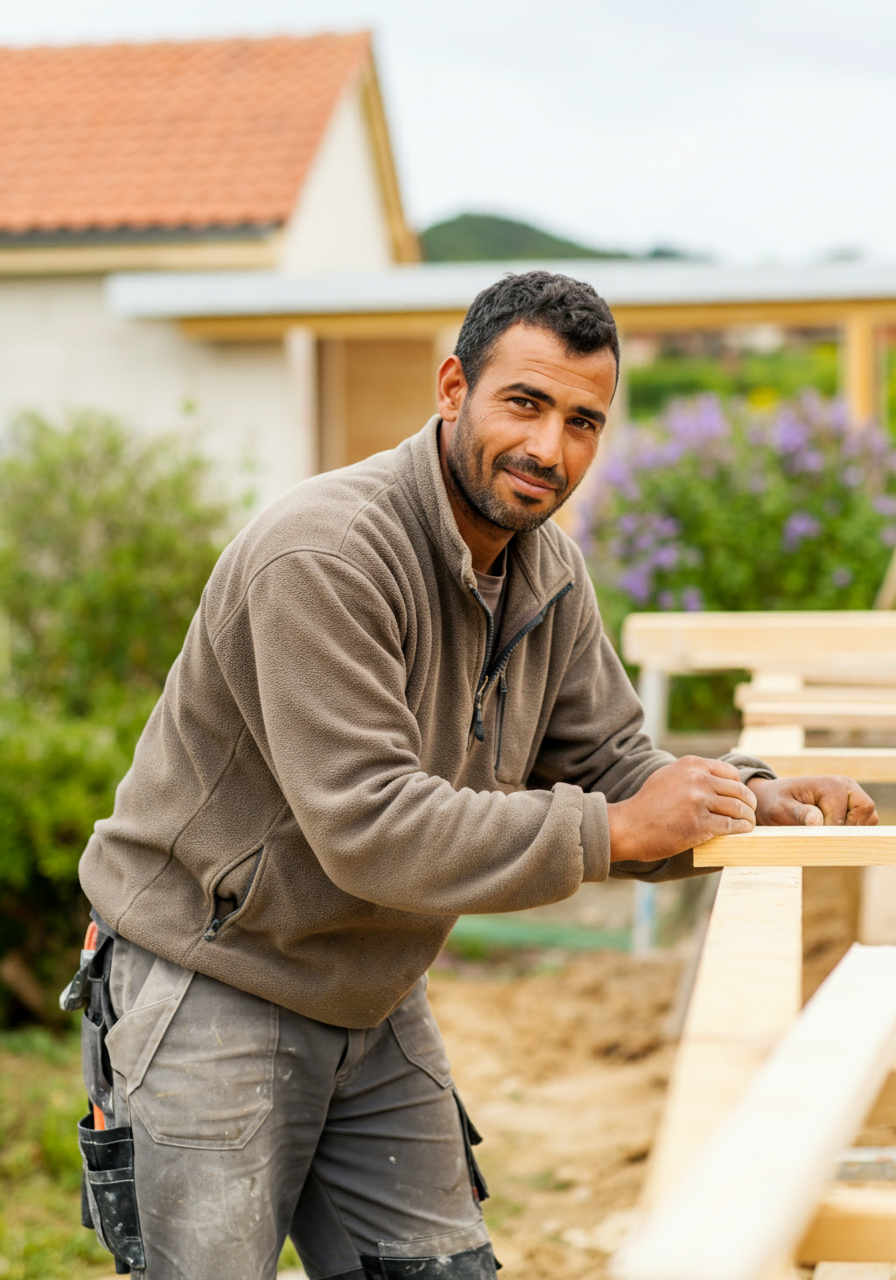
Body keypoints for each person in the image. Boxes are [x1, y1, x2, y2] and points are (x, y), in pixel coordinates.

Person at [73, 271, 877, 1280]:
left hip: (368, 984)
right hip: (215, 974)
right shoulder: (324, 554)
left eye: (582, 421)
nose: (549, 447)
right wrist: (614, 831)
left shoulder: (545, 570)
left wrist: (742, 794)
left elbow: (610, 761)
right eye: (524, 403)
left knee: (440, 1268)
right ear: (453, 386)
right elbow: (370, 825)